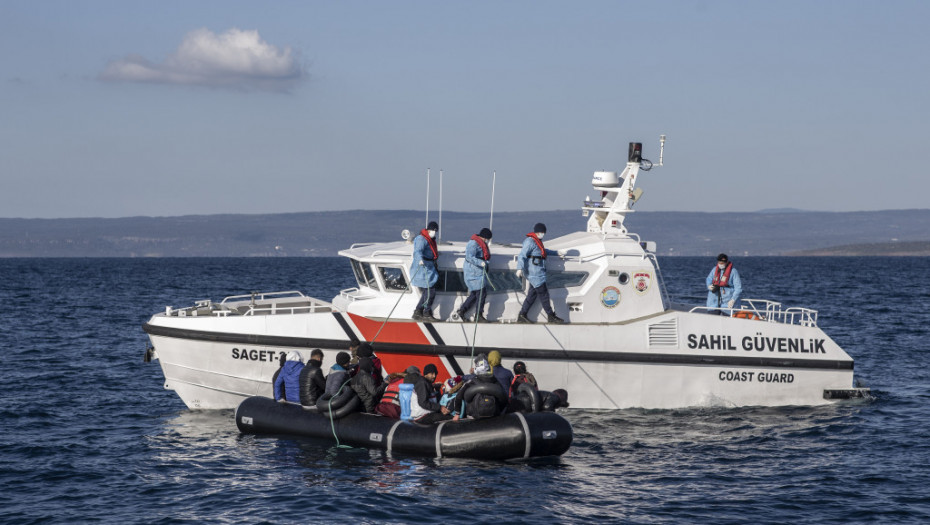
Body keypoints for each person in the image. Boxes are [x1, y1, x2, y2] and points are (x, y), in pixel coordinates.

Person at [516, 223, 566, 324]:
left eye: (543, 233)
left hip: (538, 273)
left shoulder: (537, 241)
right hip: (534, 274)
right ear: (537, 232)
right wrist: (519, 268)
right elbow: (522, 255)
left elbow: (543, 251)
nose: (542, 234)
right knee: (544, 295)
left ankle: (522, 315)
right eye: (541, 232)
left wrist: (556, 253)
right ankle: (551, 316)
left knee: (532, 295)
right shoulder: (529, 241)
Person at [452, 354, 508, 420]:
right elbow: (504, 398)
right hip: (494, 416)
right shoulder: (495, 381)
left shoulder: (471, 382)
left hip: (474, 417)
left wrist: (457, 414)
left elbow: (459, 396)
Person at [454, 227, 493, 322]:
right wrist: (480, 262)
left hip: (479, 273)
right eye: (487, 239)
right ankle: (478, 315)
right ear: (484, 237)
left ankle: (462, 310)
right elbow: (469, 257)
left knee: (475, 294)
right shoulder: (473, 244)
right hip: (473, 273)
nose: (487, 241)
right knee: (482, 293)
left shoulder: (481, 243)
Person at [410, 221, 440, 321]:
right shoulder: (421, 239)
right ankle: (426, 312)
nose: (434, 232)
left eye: (436, 230)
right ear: (428, 229)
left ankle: (418, 311)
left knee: (427, 292)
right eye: (432, 230)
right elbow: (418, 251)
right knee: (430, 292)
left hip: (429, 267)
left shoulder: (431, 239)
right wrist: (420, 260)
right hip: (423, 268)